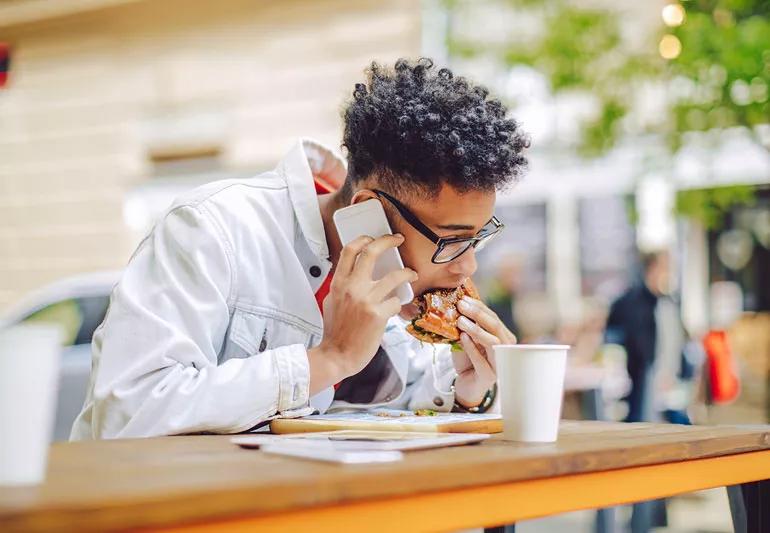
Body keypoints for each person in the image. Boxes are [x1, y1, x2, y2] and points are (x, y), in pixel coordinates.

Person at [71, 58, 529, 440]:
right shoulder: (211, 229)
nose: (466, 265)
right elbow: (125, 414)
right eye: (451, 240)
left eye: (476, 237)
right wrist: (328, 359)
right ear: (370, 211)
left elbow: (398, 397)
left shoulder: (389, 288)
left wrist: (466, 386)